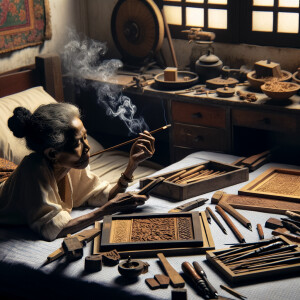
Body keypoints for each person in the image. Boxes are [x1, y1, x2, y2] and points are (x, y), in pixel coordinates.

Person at [0, 103, 155, 241]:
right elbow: (53, 229)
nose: (87, 147)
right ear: (53, 154)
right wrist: (105, 211)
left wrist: (132, 165)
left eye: (85, 137)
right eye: (76, 143)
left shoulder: (73, 164)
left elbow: (103, 196)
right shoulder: (34, 169)